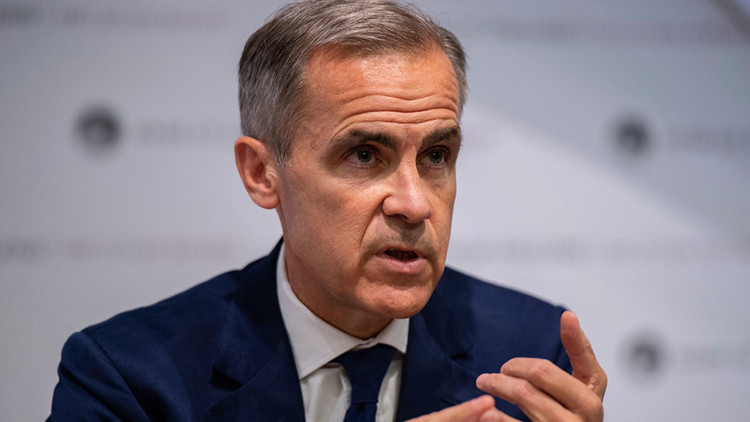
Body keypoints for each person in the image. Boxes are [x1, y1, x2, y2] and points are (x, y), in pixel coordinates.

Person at [49, 1, 606, 421]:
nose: (415, 204)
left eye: (437, 155)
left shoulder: (531, 353)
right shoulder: (131, 377)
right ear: (261, 173)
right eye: (364, 155)